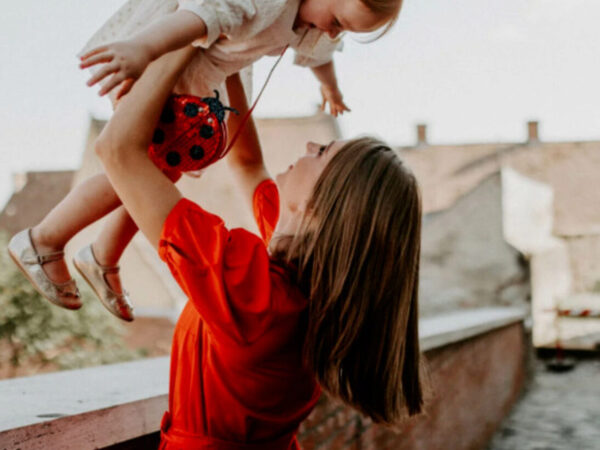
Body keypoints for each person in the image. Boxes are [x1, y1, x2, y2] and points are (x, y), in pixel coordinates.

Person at [101, 46, 422, 447]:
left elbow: (117, 151)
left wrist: (186, 39)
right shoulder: (299, 272)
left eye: (323, 152)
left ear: (321, 207)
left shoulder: (256, 296)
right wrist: (231, 56)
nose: (310, 145)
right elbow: (247, 162)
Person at [8, 0, 403, 321]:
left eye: (343, 30)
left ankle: (102, 255)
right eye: (337, 22)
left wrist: (331, 89)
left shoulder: (312, 23)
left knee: (162, 170)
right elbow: (200, 13)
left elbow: (322, 55)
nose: (332, 33)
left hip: (193, 80)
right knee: (137, 168)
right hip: (164, 60)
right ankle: (45, 239)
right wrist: (145, 49)